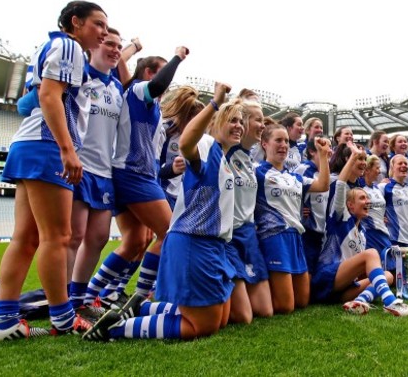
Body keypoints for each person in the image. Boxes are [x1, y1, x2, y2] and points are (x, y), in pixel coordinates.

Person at [0, 1, 108, 343]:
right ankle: (64, 318)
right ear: (75, 22)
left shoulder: (52, 45)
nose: (101, 32)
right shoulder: (69, 45)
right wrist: (68, 150)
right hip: (46, 145)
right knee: (55, 237)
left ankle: (5, 321)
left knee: (25, 239)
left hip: (28, 143)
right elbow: (50, 97)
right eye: (97, 24)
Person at [84, 82, 237, 341]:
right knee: (202, 326)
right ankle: (113, 328)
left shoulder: (221, 156)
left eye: (242, 120)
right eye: (233, 119)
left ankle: (141, 306)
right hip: (195, 240)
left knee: (220, 319)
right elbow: (187, 141)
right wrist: (215, 102)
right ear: (216, 119)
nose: (240, 125)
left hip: (212, 244)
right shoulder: (205, 144)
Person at [83, 47, 189, 308]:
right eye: (163, 71)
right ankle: (140, 298)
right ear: (150, 72)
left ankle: (93, 295)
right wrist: (178, 57)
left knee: (136, 242)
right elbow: (159, 83)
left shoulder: (146, 101)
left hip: (132, 173)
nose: (168, 82)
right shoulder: (141, 89)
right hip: (135, 174)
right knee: (170, 233)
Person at [311, 143, 408, 317]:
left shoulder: (362, 234)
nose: (367, 202)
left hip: (342, 289)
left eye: (368, 198)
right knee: (371, 253)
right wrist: (354, 156)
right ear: (350, 205)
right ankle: (391, 303)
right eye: (362, 198)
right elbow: (340, 184)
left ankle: (360, 301)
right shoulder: (339, 217)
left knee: (388, 276)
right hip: (326, 280)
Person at [67, 28, 124, 319]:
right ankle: (63, 301)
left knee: (99, 237)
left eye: (119, 46)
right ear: (95, 46)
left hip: (105, 171)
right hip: (79, 165)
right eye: (109, 44)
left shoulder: (116, 88)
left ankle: (79, 296)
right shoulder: (79, 77)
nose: (115, 49)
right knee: (74, 236)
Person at [255, 124, 331, 314]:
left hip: (296, 237)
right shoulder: (257, 171)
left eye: (286, 141)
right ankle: (255, 297)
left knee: (303, 301)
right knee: (286, 306)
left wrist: (323, 154)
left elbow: (323, 185)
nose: (283, 145)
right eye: (278, 140)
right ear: (264, 144)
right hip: (274, 236)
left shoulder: (295, 177)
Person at [225, 98, 273, 323]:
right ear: (242, 122)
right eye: (258, 120)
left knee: (265, 311)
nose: (263, 125)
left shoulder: (248, 158)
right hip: (229, 238)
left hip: (249, 235)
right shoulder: (223, 152)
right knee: (244, 317)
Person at [157, 86, 205, 210]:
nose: (198, 129)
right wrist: (172, 169)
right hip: (161, 192)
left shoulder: (202, 139)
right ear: (185, 117)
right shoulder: (165, 130)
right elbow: (151, 168)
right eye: (196, 123)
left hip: (182, 198)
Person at [293, 136, 332, 275]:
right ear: (311, 151)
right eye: (323, 147)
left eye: (329, 146)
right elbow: (290, 191)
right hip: (307, 230)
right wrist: (298, 208)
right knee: (307, 271)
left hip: (321, 231)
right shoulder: (302, 170)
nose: (328, 150)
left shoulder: (326, 173)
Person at [379, 155, 408, 253]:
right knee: (397, 269)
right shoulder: (384, 187)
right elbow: (369, 201)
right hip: (395, 239)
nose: (404, 165)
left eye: (406, 164)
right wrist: (378, 216)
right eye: (400, 163)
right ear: (392, 167)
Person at [361, 155, 392, 268]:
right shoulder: (359, 187)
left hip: (383, 231)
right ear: (367, 170)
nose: (379, 172)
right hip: (369, 233)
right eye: (377, 168)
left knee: (392, 270)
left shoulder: (376, 188)